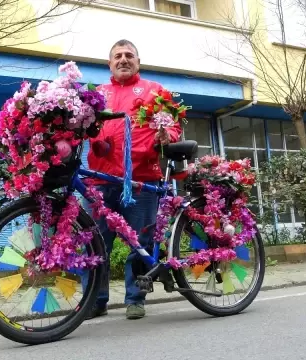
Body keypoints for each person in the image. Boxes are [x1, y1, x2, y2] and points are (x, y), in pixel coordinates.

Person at [82, 39, 182, 320]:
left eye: (129, 55)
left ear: (138, 61)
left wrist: (167, 135)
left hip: (141, 180)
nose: (123, 60)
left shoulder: (155, 91)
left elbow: (172, 125)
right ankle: (95, 300)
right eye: (118, 56)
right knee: (95, 243)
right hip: (99, 181)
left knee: (141, 243)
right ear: (109, 63)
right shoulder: (97, 94)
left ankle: (135, 298)